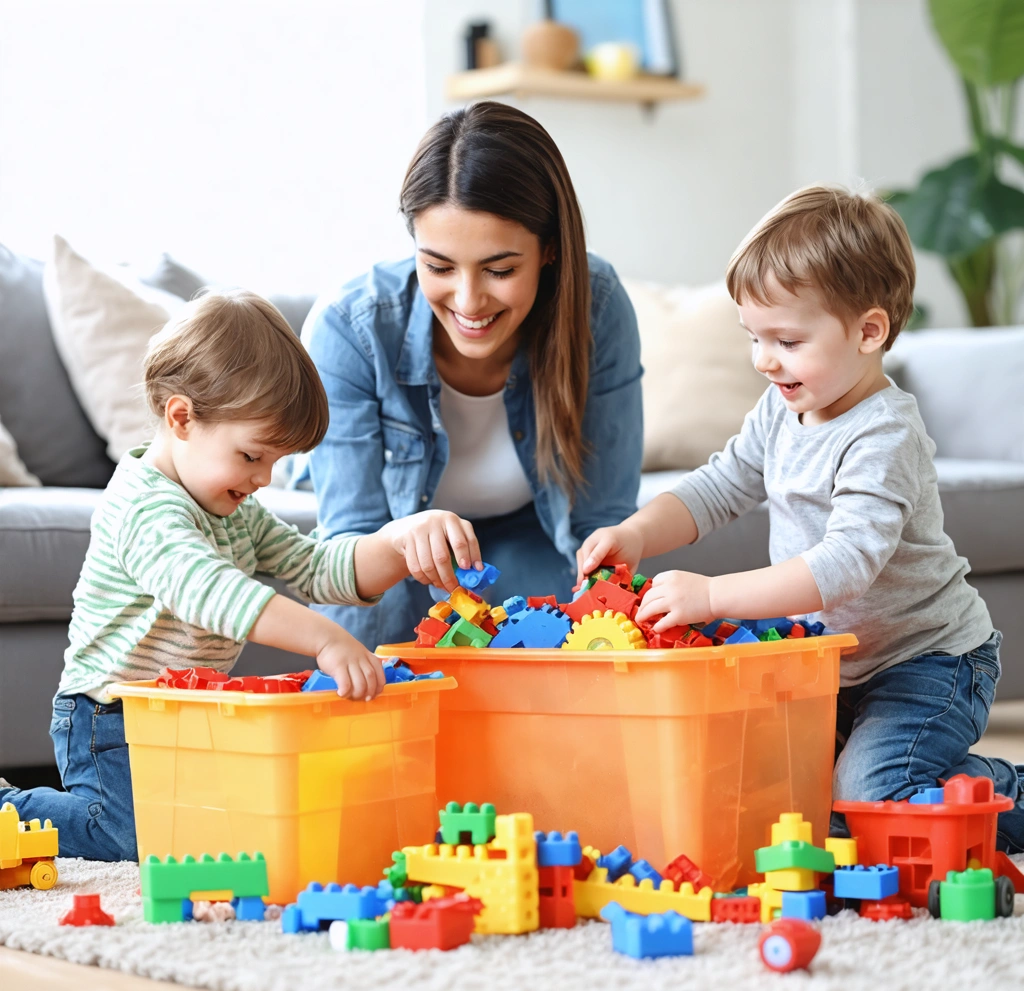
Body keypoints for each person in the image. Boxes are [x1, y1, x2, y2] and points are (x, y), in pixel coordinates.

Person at [578, 185, 1023, 850]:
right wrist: (638, 531)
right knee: (785, 793)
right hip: (831, 668)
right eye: (754, 337)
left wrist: (710, 595)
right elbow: (721, 485)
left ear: (869, 331)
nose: (764, 359)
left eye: (785, 339)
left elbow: (845, 565)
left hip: (928, 662)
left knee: (868, 797)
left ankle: (1005, 792)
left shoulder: (883, 434)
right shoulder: (783, 408)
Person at [0, 290, 481, 861]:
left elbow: (316, 567)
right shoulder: (144, 508)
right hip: (109, 716)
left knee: (220, 829)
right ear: (182, 417)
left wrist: (400, 542)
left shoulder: (237, 510)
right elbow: (210, 592)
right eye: (252, 457)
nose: (263, 478)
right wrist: (324, 638)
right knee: (132, 836)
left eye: (277, 462)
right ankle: (13, 810)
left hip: (185, 715)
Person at [301, 100, 643, 651]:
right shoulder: (349, 327)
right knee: (369, 629)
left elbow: (602, 523)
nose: (467, 302)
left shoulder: (596, 305)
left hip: (526, 530)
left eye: (500, 270)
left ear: (550, 249)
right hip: (391, 538)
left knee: (558, 638)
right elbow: (349, 547)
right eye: (437, 266)